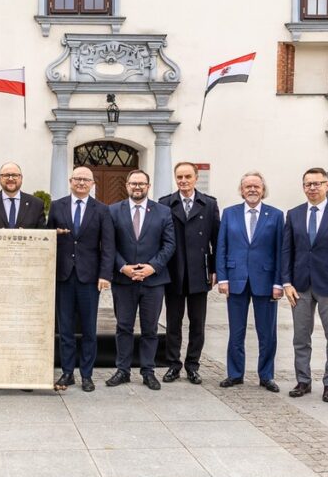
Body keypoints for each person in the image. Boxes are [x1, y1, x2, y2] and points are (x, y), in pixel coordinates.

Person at [281, 167, 328, 403]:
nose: (312, 188)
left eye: (316, 183)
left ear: (327, 185)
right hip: (300, 286)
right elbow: (287, 251)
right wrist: (286, 282)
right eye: (307, 184)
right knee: (301, 337)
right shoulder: (293, 214)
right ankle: (303, 381)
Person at [105, 170, 175, 391]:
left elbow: (169, 244)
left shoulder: (163, 212)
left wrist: (152, 267)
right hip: (123, 280)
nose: (137, 187)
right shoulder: (113, 211)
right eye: (134, 183)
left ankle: (148, 371)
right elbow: (108, 244)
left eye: (142, 184)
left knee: (150, 329)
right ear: (127, 185)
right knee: (123, 326)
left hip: (153, 281)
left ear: (148, 186)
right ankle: (122, 370)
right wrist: (122, 267)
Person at [46, 167, 114, 392]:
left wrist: (105, 274)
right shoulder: (57, 206)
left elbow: (108, 246)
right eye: (77, 179)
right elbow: (49, 240)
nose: (81, 183)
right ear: (70, 181)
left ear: (93, 183)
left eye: (86, 180)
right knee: (64, 328)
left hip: (89, 278)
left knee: (88, 329)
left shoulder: (102, 210)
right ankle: (67, 372)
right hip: (63, 276)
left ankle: (86, 374)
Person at [216, 171, 284, 392]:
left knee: (267, 333)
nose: (252, 190)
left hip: (265, 281)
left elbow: (280, 251)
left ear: (263, 190)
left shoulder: (275, 215)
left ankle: (266, 375)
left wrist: (278, 282)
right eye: (248, 187)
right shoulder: (230, 213)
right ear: (241, 190)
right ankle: (235, 374)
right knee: (236, 331)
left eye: (256, 186)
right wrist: (223, 277)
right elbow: (222, 247)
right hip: (236, 280)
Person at [159, 161, 220, 385]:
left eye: (187, 177)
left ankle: (192, 365)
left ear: (196, 178)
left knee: (197, 323)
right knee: (173, 322)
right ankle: (173, 365)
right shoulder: (165, 203)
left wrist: (215, 269)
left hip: (199, 271)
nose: (183, 181)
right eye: (179, 177)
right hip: (174, 270)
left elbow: (217, 240)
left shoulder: (209, 204)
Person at [0, 162, 46, 241]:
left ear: (21, 178)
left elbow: (44, 236)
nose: (10, 178)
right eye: (6, 175)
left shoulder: (36, 204)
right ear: (0, 179)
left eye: (15, 175)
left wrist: (27, 237)